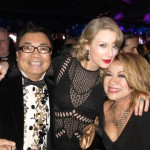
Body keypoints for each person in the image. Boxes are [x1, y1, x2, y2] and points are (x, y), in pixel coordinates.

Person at [51, 17, 149, 150]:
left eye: (114, 46)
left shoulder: (108, 77)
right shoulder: (62, 65)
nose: (110, 53)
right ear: (87, 44)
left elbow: (132, 83)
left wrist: (143, 93)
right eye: (103, 45)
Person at [0, 23, 54, 149]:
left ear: (50, 54)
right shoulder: (2, 85)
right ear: (17, 54)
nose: (36, 54)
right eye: (28, 48)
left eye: (43, 48)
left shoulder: (59, 89)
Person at [100, 53, 150, 150]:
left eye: (122, 75)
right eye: (109, 74)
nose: (112, 82)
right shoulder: (102, 108)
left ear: (138, 79)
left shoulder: (145, 108)